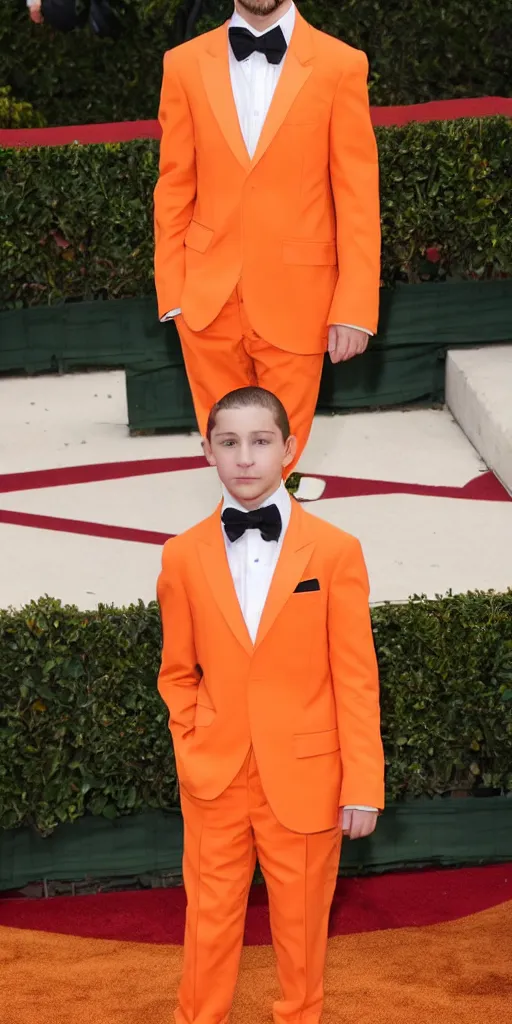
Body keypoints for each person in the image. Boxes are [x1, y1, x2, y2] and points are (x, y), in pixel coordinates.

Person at [156, 386, 385, 1024]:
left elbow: (356, 677)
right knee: (205, 925)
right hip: (215, 776)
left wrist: (362, 784)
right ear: (207, 451)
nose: (245, 458)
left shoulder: (337, 551)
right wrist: (191, 746)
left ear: (290, 447)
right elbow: (177, 672)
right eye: (228, 443)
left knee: (303, 931)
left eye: (260, 442)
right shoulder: (181, 556)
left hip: (309, 775)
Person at [154, 0, 380, 473]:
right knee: (230, 459)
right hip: (205, 303)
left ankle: (276, 541)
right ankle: (239, 545)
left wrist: (355, 305)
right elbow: (174, 184)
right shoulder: (184, 64)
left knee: (278, 462)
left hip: (299, 301)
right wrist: (172, 292)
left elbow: (357, 196)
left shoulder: (341, 65)